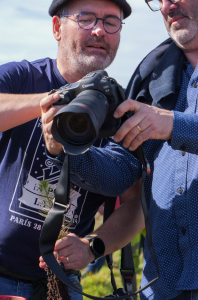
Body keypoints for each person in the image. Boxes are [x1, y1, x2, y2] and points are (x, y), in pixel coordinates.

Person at [0, 0, 143, 299]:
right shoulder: (21, 77)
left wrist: (93, 247)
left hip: (58, 283)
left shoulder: (122, 111)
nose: (100, 30)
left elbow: (136, 203)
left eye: (111, 22)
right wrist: (52, 101)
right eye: (86, 18)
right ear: (57, 27)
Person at [40, 0, 198, 299]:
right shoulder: (153, 70)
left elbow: (170, 125)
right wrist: (70, 147)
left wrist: (177, 125)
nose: (168, 4)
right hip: (162, 286)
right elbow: (124, 171)